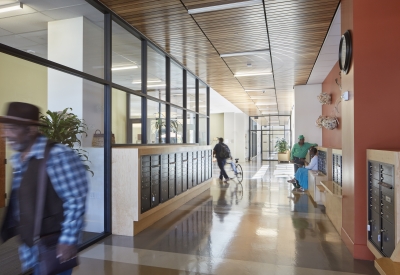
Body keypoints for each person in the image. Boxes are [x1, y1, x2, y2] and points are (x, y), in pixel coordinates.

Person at [0, 102, 89, 275]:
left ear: (31, 130)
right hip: (30, 245)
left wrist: (69, 240)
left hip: (53, 246)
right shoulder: (19, 158)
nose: (5, 135)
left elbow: (75, 200)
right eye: (4, 128)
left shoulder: (58, 156)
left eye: (11, 129)